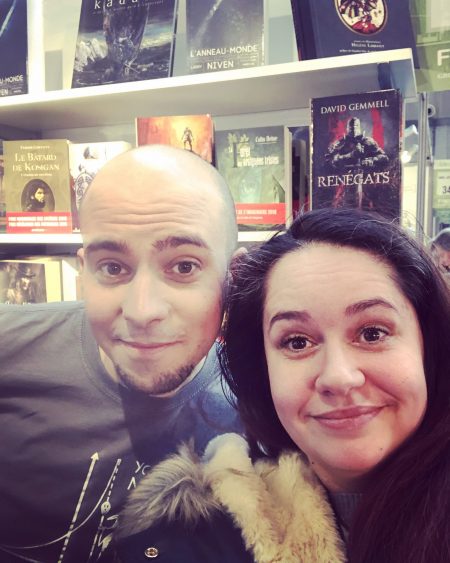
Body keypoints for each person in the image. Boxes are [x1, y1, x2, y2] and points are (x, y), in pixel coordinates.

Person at [114, 208, 450, 563]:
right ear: (263, 370)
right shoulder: (196, 531)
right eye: (297, 342)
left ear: (428, 345)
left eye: (372, 333)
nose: (338, 377)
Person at [0, 145, 242, 563]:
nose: (142, 311)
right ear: (83, 272)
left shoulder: (267, 403)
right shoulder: (11, 348)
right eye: (112, 267)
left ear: (232, 277)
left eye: (184, 267)